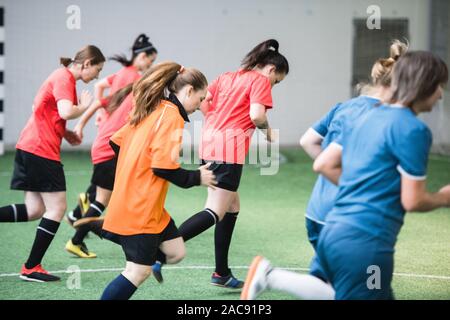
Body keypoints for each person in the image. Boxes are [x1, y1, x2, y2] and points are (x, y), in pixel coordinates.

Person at [245, 51, 450, 300]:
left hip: (332, 232)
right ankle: (270, 276)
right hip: (366, 243)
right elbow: (413, 200)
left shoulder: (366, 115)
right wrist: (443, 197)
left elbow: (324, 163)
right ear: (424, 84)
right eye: (439, 86)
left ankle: (272, 276)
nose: (441, 94)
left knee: (334, 292)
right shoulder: (414, 129)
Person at [153, 39, 289, 289]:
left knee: (232, 206)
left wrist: (218, 121)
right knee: (215, 210)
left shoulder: (228, 76)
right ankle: (160, 252)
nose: (274, 85)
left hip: (209, 143)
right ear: (270, 70)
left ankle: (221, 273)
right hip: (229, 151)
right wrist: (268, 132)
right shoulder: (260, 81)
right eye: (277, 80)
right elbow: (257, 115)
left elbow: (205, 101)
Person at [100, 62, 216, 300]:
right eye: (201, 98)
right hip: (139, 209)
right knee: (136, 272)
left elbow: (116, 142)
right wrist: (196, 177)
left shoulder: (155, 108)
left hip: (149, 208)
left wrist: (134, 167)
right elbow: (162, 167)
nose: (201, 105)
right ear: (189, 90)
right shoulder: (171, 117)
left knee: (175, 251)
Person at [0, 45, 105, 282]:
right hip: (40, 151)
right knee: (56, 209)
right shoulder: (64, 77)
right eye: (97, 70)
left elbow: (44, 112)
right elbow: (66, 111)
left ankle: (31, 267)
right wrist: (85, 107)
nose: (96, 76)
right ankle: (31, 267)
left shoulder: (60, 77)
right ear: (86, 63)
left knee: (34, 210)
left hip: (30, 147)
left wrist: (65, 133)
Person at [64, 35, 158, 258]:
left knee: (103, 190)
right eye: (151, 61)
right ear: (142, 56)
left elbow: (101, 92)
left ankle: (77, 214)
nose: (150, 66)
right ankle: (77, 238)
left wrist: (96, 119)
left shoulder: (125, 79)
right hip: (111, 147)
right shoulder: (135, 80)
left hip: (106, 143)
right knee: (104, 199)